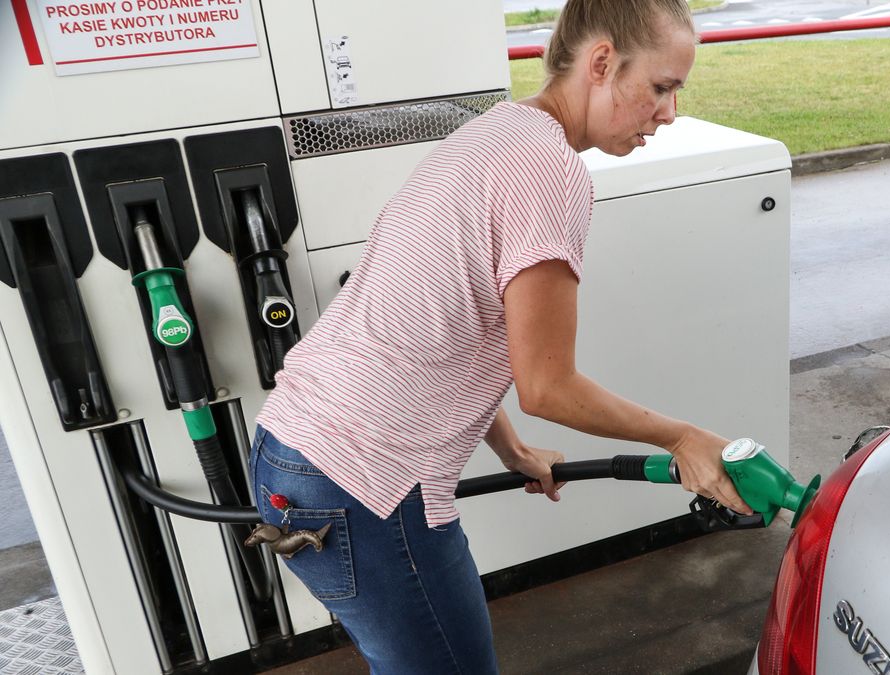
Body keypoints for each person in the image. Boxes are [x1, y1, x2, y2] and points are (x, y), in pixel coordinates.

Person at [250, 0, 751, 671]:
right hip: (366, 483)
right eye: (660, 87)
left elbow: (447, 321)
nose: (669, 111)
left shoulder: (494, 133)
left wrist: (510, 448)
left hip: (289, 455)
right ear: (601, 63)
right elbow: (547, 384)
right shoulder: (551, 169)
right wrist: (683, 437)